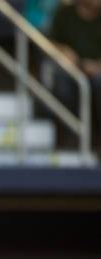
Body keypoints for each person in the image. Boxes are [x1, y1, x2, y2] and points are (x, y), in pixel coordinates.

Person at [48, 0, 101, 149]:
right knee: (61, 81)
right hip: (71, 69)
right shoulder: (65, 13)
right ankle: (69, 137)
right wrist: (65, 53)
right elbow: (51, 43)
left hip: (97, 71)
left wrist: (97, 66)